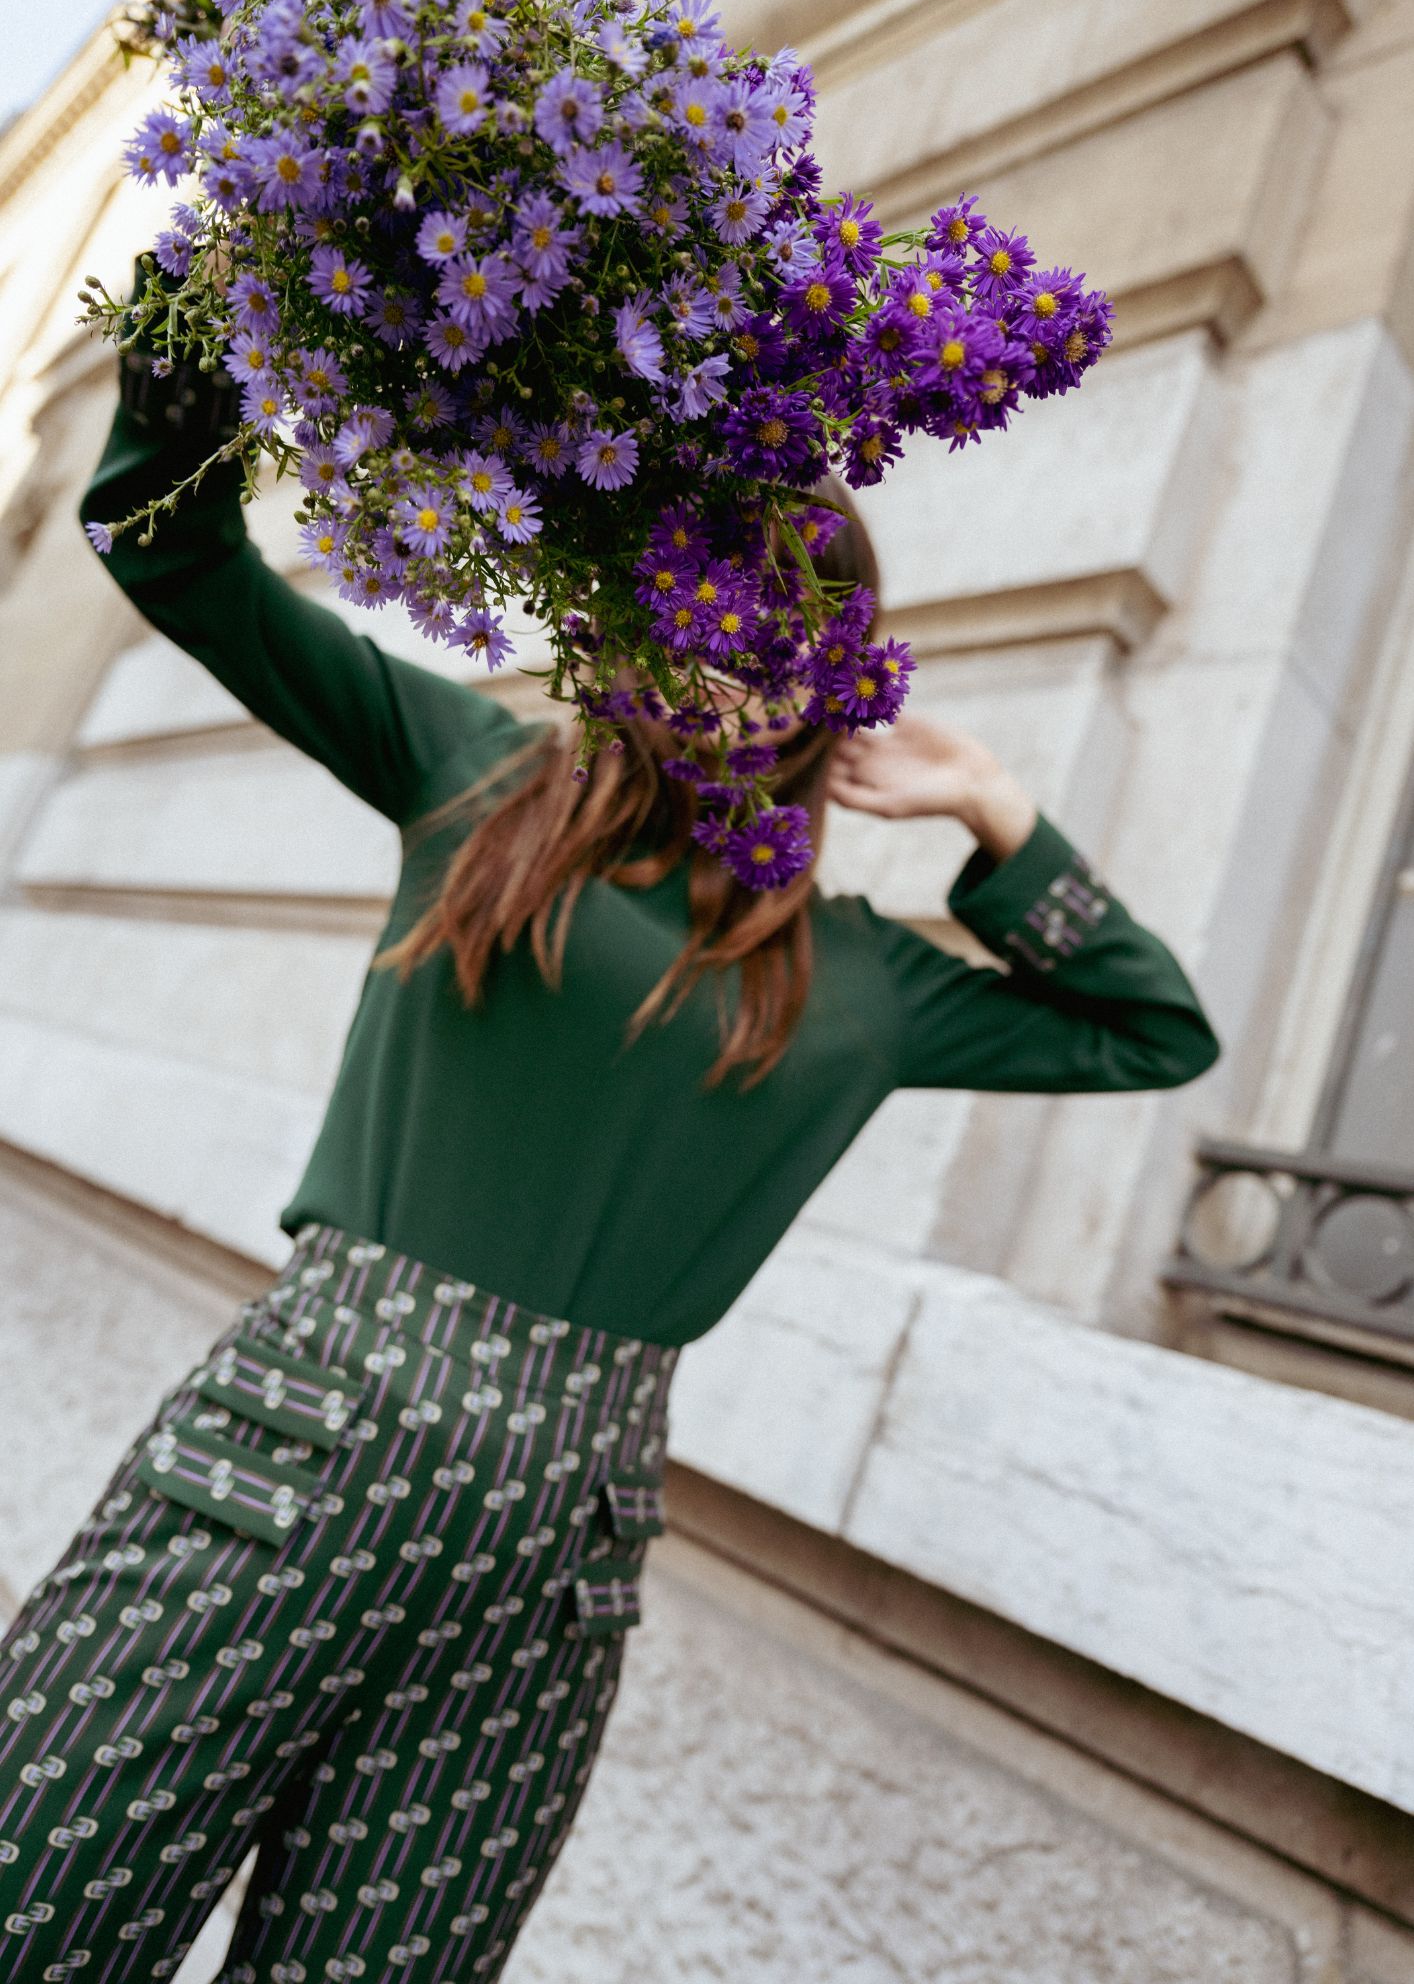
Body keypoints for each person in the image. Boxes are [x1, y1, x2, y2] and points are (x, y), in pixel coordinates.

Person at [0, 379, 1218, 1983]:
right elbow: (169, 553)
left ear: (826, 684)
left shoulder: (859, 980)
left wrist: (994, 809)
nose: (729, 654)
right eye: (698, 602)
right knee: (42, 1905)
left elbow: (1150, 1031)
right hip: (296, 1443)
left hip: (558, 1552)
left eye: (779, 631)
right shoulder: (482, 777)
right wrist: (198, 333)